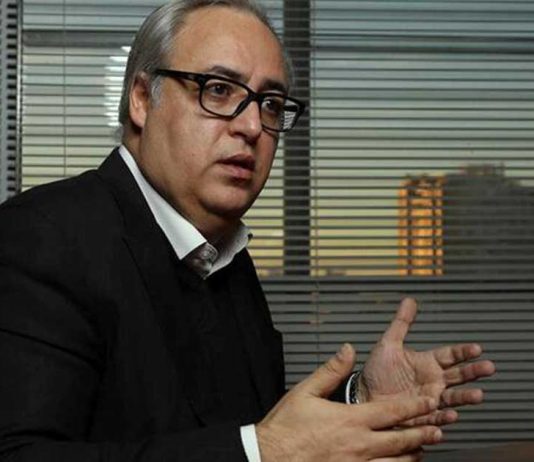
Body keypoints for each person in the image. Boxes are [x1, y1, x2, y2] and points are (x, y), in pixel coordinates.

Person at [0, 1, 495, 461]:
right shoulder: (40, 237)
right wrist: (264, 453)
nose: (253, 126)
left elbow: (243, 428)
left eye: (272, 103)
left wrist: (359, 399)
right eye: (219, 89)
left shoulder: (223, 255)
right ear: (141, 99)